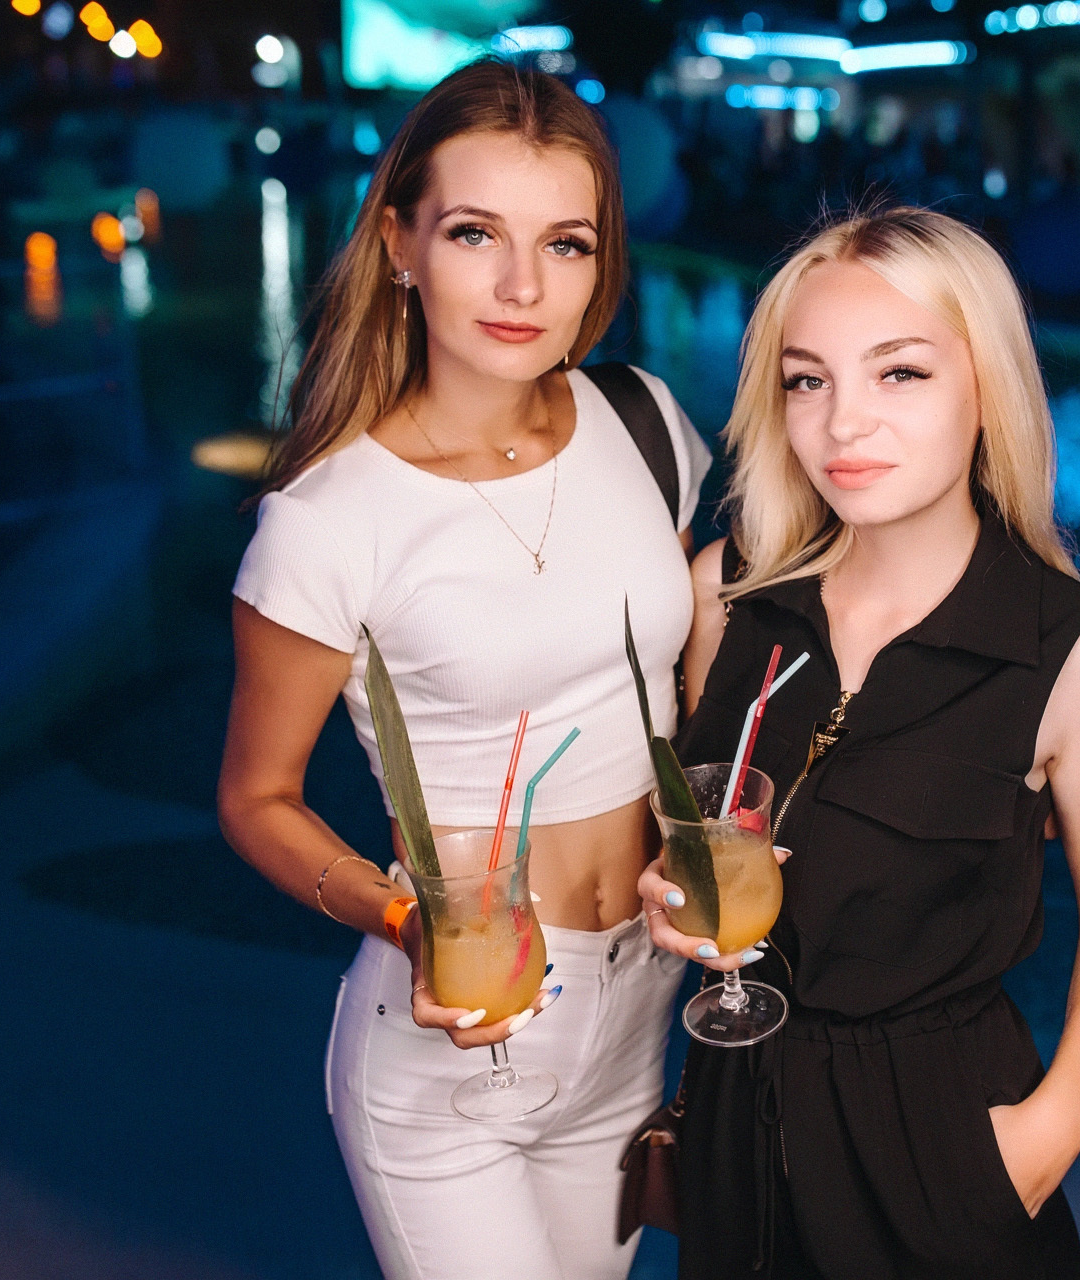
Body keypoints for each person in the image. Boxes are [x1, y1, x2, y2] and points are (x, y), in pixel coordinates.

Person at [218, 59, 711, 1280]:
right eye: (476, 233)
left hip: (641, 1004)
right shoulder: (329, 520)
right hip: (458, 1038)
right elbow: (256, 798)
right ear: (399, 242)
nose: (522, 285)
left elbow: (682, 673)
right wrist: (403, 920)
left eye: (566, 243)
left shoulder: (643, 423)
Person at [641, 206, 1080, 1279]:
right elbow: (704, 836)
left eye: (901, 373)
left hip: (939, 1150)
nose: (844, 424)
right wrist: (670, 889)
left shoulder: (1075, 651)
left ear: (986, 389)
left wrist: (1047, 1134)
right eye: (808, 380)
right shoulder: (725, 595)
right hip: (736, 1134)